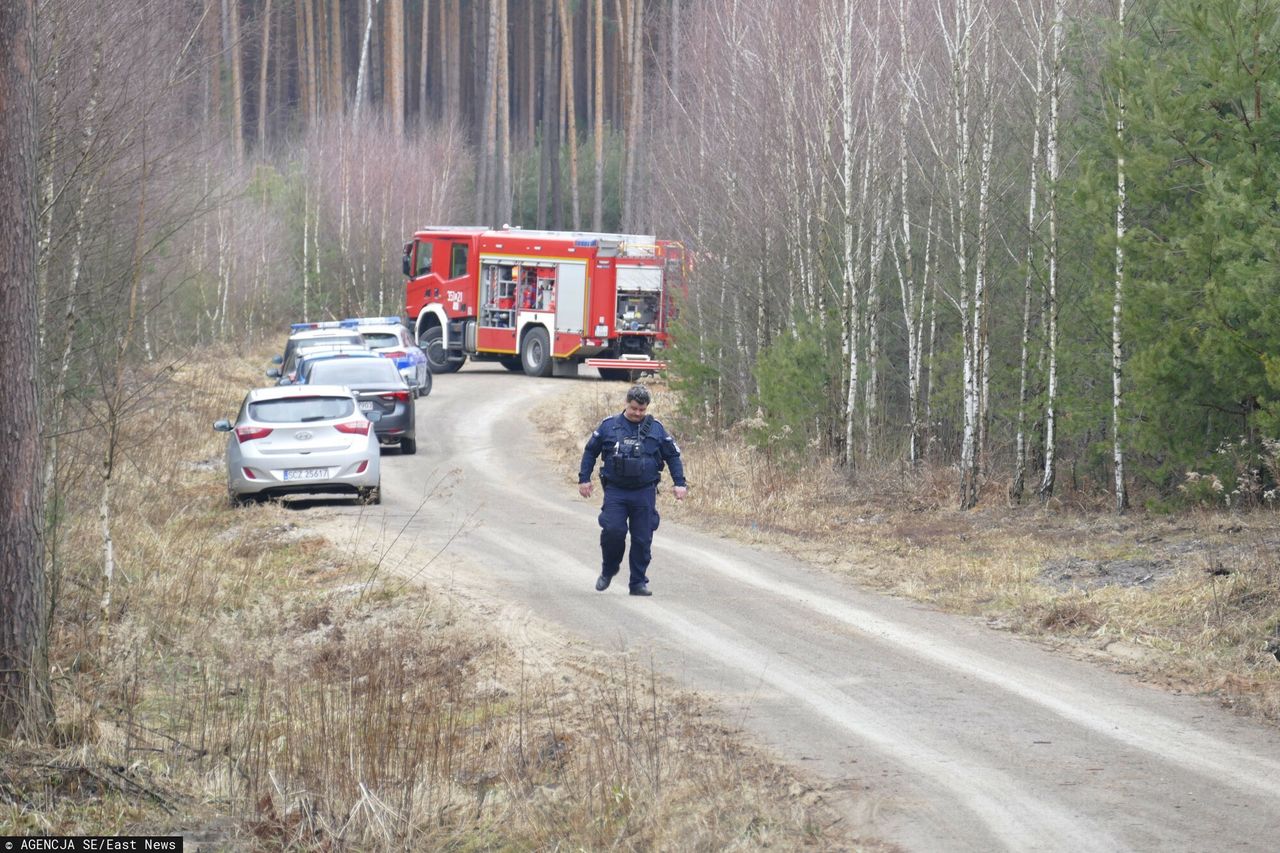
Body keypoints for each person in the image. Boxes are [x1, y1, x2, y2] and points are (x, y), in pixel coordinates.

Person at [578, 384, 688, 596]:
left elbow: (672, 456)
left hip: (644, 492)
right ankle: (609, 569)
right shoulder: (609, 426)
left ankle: (638, 583)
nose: (638, 413)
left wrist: (679, 483)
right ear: (626, 404)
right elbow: (591, 451)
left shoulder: (655, 428)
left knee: (642, 538)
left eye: (642, 410)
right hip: (616, 491)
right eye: (634, 408)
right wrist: (584, 479)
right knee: (613, 531)